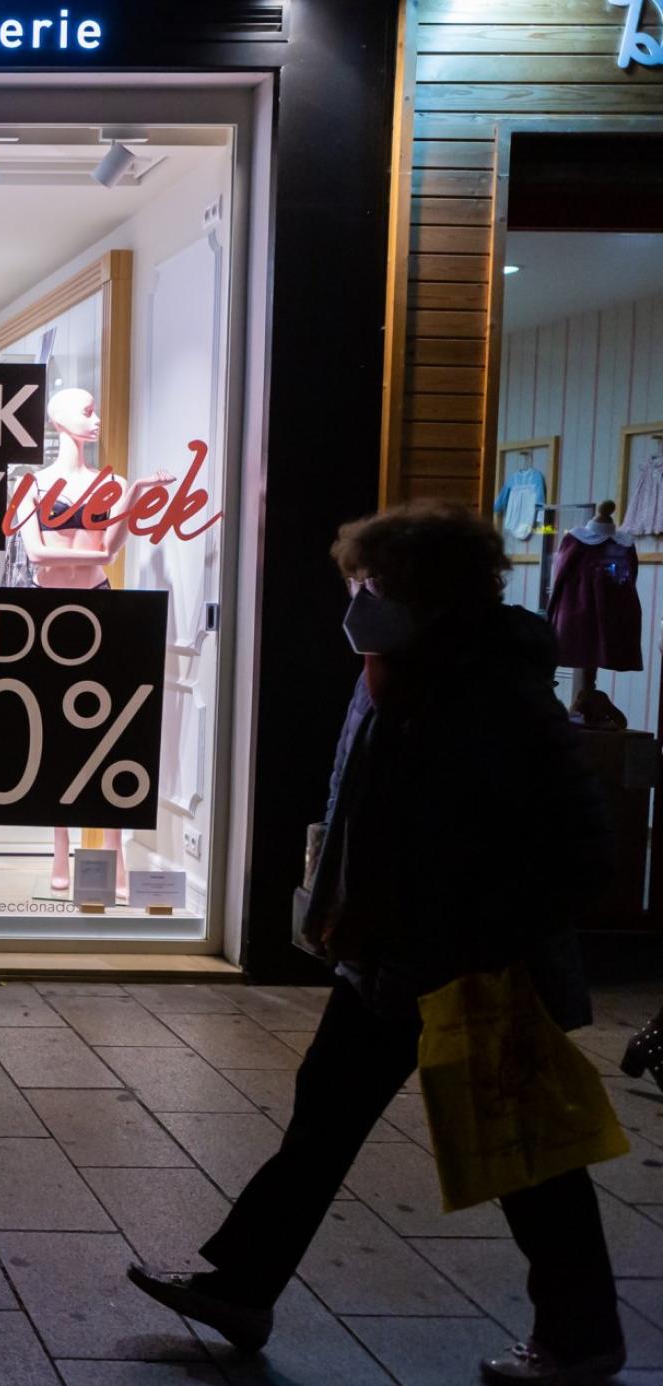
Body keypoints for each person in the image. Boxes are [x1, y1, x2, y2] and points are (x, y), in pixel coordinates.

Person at [128, 501, 625, 1385]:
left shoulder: (495, 691)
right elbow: (361, 804)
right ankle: (241, 1286)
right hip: (386, 959)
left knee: (527, 1153)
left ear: (428, 593)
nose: (358, 600)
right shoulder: (390, 673)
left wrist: (485, 933)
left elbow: (579, 845)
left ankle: (583, 1338)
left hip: (470, 967)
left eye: (374, 584)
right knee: (324, 1120)